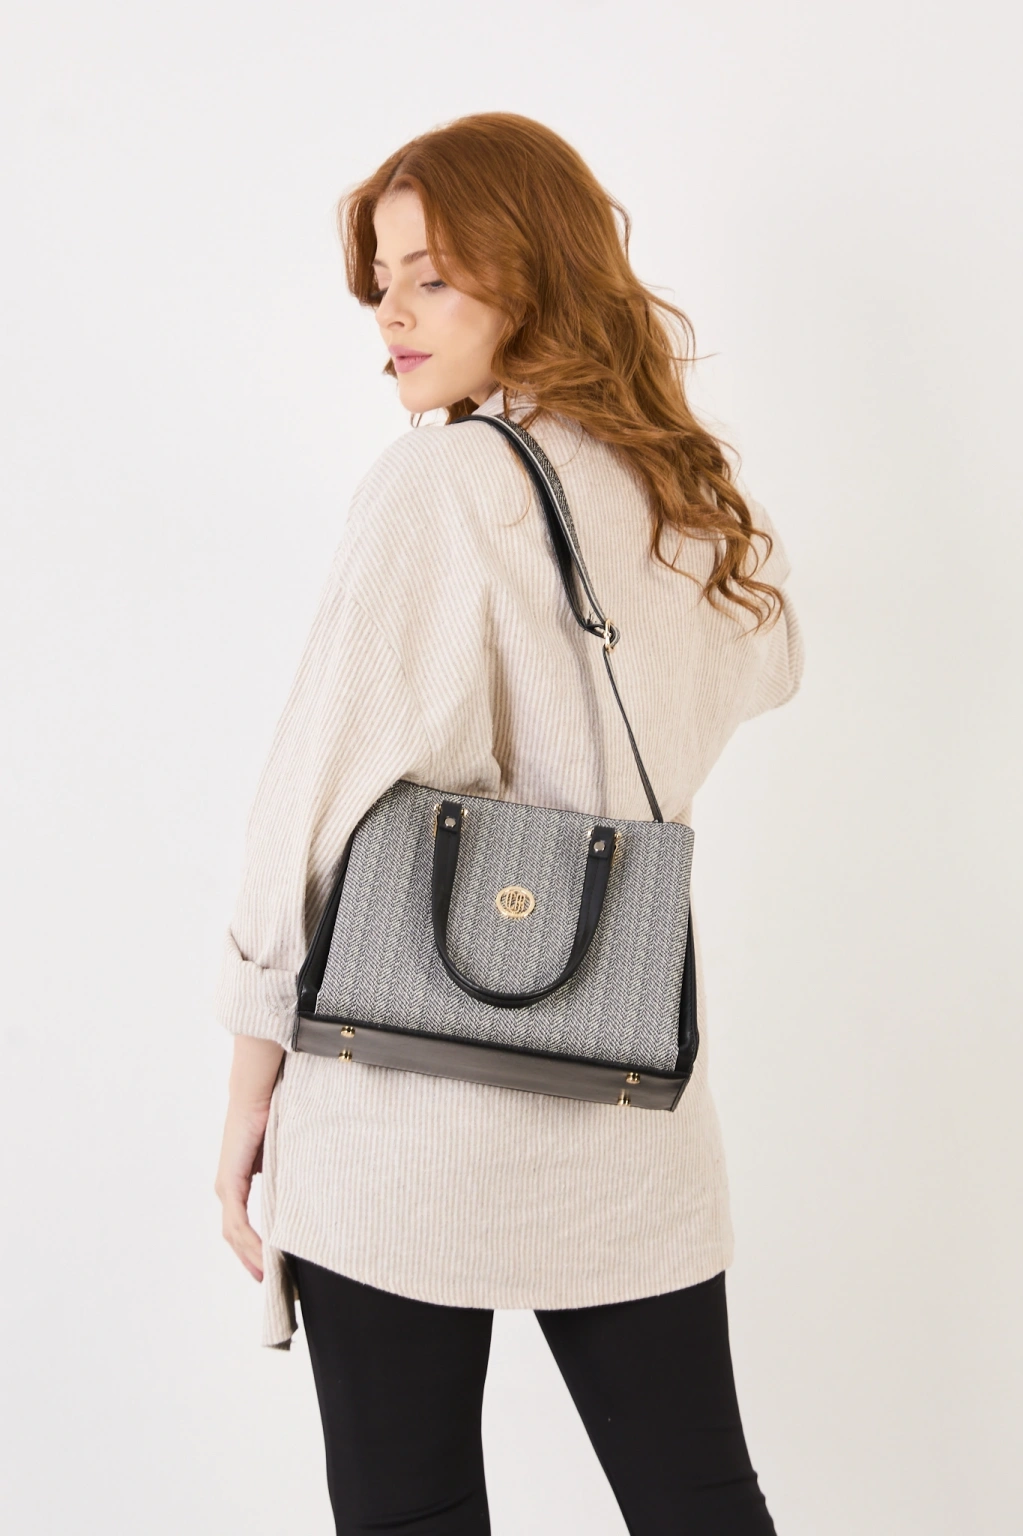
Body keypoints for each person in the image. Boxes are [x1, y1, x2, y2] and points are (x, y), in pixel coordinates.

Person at [214, 112, 803, 1536]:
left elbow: (313, 803)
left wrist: (247, 1088)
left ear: (532, 274)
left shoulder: (445, 483)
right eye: (382, 283)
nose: (391, 317)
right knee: (697, 1499)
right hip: (627, 1098)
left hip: (401, 1112)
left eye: (432, 277)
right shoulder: (684, 492)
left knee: (409, 1511)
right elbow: (768, 664)